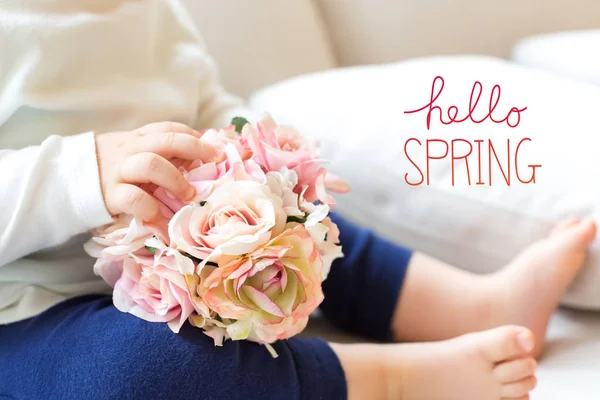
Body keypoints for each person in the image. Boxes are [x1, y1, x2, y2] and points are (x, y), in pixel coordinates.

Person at [0, 1, 595, 399]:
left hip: (183, 261)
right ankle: (385, 380)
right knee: (140, 371)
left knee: (308, 225)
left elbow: (206, 103)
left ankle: (470, 305)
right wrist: (79, 176)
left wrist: (249, 157)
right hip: (30, 312)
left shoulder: (150, 11)